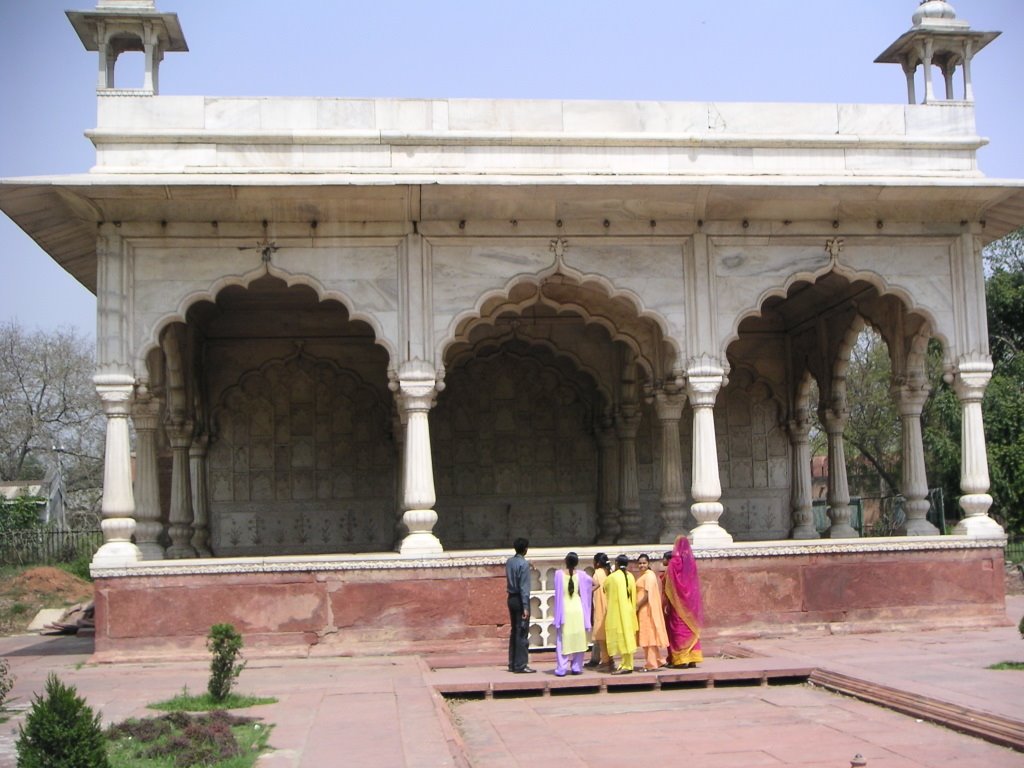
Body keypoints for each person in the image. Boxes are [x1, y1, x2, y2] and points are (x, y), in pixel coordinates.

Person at [663, 535, 705, 668]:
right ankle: (693, 658)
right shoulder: (690, 562)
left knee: (678, 628)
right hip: (690, 603)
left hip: (677, 603)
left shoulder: (674, 562)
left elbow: (669, 584)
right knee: (690, 628)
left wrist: (667, 602)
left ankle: (680, 659)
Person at [552, 551, 593, 676]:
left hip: (564, 609)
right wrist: (584, 593)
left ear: (565, 561)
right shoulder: (581, 574)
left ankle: (562, 668)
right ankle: (576, 667)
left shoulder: (558, 574)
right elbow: (596, 583)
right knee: (578, 636)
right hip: (577, 607)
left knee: (562, 638)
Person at [603, 554, 638, 674]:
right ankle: (627, 663)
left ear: (617, 563)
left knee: (623, 636)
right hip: (628, 609)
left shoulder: (613, 577)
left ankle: (627, 666)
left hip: (618, 611)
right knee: (627, 636)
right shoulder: (631, 576)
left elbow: (605, 589)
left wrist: (609, 574)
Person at [635, 553, 670, 672]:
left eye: (644, 563)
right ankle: (658, 660)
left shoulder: (649, 576)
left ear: (648, 563)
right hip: (643, 609)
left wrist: (637, 606)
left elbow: (647, 594)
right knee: (648, 636)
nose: (641, 565)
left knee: (648, 637)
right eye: (639, 563)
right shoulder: (644, 575)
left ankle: (651, 664)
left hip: (646, 609)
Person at [506, 537, 535, 673]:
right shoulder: (523, 565)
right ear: (525, 549)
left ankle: (512, 662)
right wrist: (526, 607)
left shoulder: (510, 562)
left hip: (511, 598)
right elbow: (524, 588)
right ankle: (521, 664)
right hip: (520, 599)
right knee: (522, 632)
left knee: (514, 631)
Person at [585, 552, 612, 670]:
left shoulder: (597, 574)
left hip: (600, 607)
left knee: (600, 637)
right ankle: (607, 659)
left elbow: (595, 592)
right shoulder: (608, 573)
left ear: (596, 563)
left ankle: (606, 661)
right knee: (605, 636)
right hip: (608, 607)